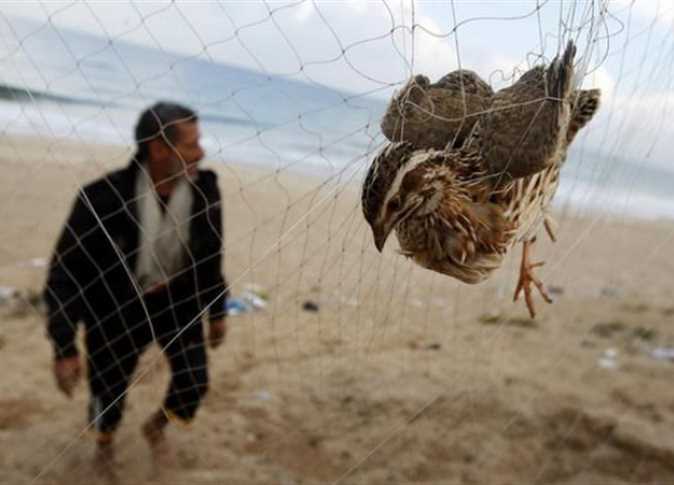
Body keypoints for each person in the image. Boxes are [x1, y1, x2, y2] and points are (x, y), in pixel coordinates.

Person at [43, 102, 229, 464]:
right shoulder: (101, 198)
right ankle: (104, 447)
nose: (201, 152)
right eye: (191, 144)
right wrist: (64, 346)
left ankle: (156, 427)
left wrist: (218, 312)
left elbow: (211, 257)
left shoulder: (206, 191)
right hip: (117, 308)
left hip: (178, 302)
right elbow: (65, 273)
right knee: (106, 391)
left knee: (194, 381)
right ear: (159, 149)